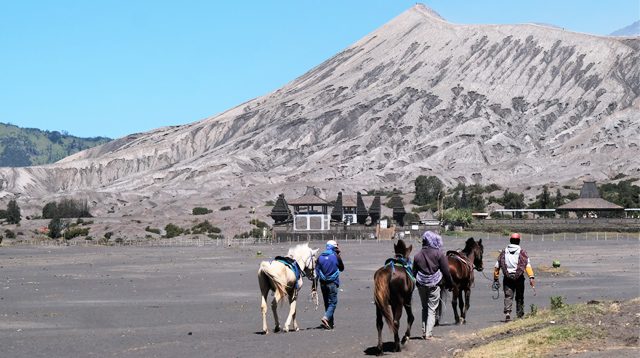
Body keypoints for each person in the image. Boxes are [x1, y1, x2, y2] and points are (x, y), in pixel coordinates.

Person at [412, 231, 453, 340]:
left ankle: (424, 331)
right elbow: (446, 271)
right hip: (434, 284)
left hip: (421, 284)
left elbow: (413, 273)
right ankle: (428, 334)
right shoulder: (439, 254)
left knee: (424, 308)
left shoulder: (417, 255)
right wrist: (450, 284)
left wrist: (416, 283)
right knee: (432, 309)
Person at [493, 233, 535, 321]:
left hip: (507, 278)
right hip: (519, 278)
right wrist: (531, 277)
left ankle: (508, 313)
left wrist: (496, 279)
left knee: (508, 296)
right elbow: (527, 266)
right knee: (519, 296)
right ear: (519, 241)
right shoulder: (522, 253)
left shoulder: (503, 253)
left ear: (510, 241)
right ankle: (520, 314)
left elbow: (497, 267)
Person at [316, 240, 344, 329]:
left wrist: (314, 287)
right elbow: (342, 268)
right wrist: (339, 255)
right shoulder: (335, 256)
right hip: (332, 283)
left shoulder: (320, 257)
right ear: (334, 248)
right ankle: (326, 318)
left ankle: (330, 324)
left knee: (326, 303)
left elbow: (316, 272)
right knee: (333, 302)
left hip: (323, 284)